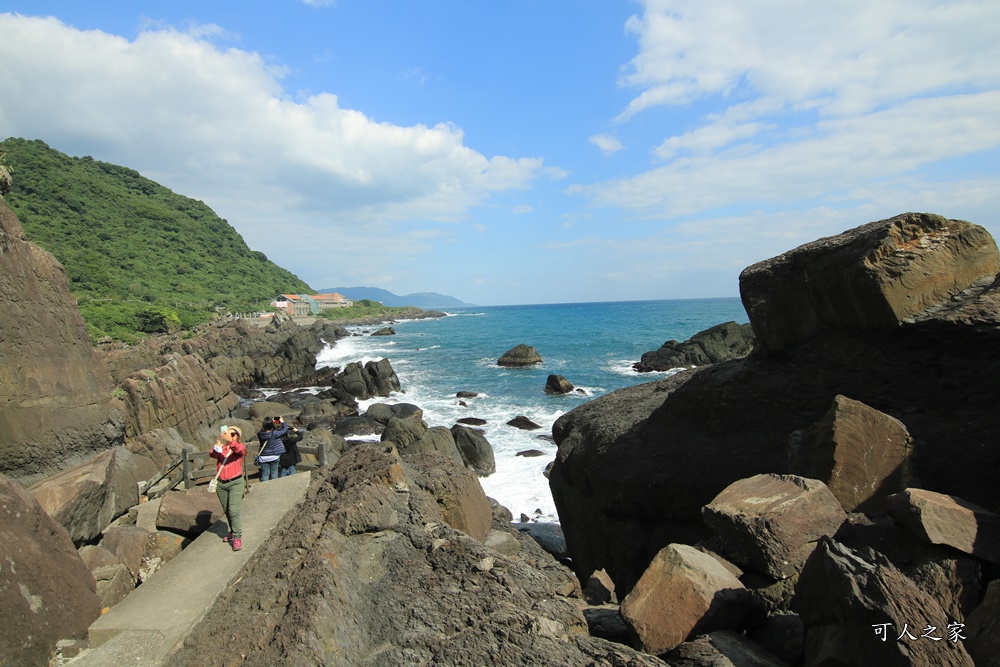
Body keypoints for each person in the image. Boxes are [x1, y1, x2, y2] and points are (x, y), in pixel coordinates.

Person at [210, 426, 246, 551]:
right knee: (227, 510)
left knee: (233, 510)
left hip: (235, 482)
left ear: (236, 436)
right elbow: (212, 454)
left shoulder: (238, 447)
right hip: (221, 484)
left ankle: (237, 537)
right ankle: (232, 531)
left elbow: (240, 450)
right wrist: (217, 446)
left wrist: (231, 442)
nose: (228, 434)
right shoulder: (223, 448)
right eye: (226, 432)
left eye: (232, 433)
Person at [256, 416, 287, 482]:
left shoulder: (260, 433)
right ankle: (274, 489)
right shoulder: (275, 433)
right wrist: (282, 422)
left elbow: (261, 430)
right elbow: (284, 430)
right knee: (274, 473)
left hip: (263, 457)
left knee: (265, 474)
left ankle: (264, 488)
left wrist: (269, 424)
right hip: (274, 456)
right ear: (272, 425)